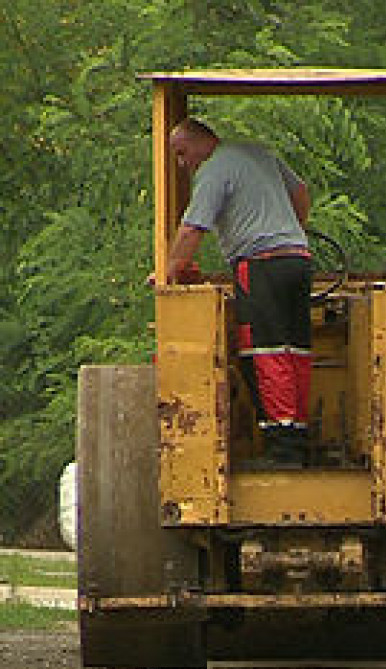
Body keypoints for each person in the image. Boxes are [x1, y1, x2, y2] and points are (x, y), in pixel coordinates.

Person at [165, 117, 313, 466]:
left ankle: (283, 449)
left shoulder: (213, 171)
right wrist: (291, 230)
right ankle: (299, 438)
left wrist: (169, 272)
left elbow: (191, 230)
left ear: (203, 142)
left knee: (265, 351)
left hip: (260, 266)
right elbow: (301, 192)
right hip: (298, 259)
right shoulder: (258, 153)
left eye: (183, 153)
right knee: (297, 350)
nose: (182, 164)